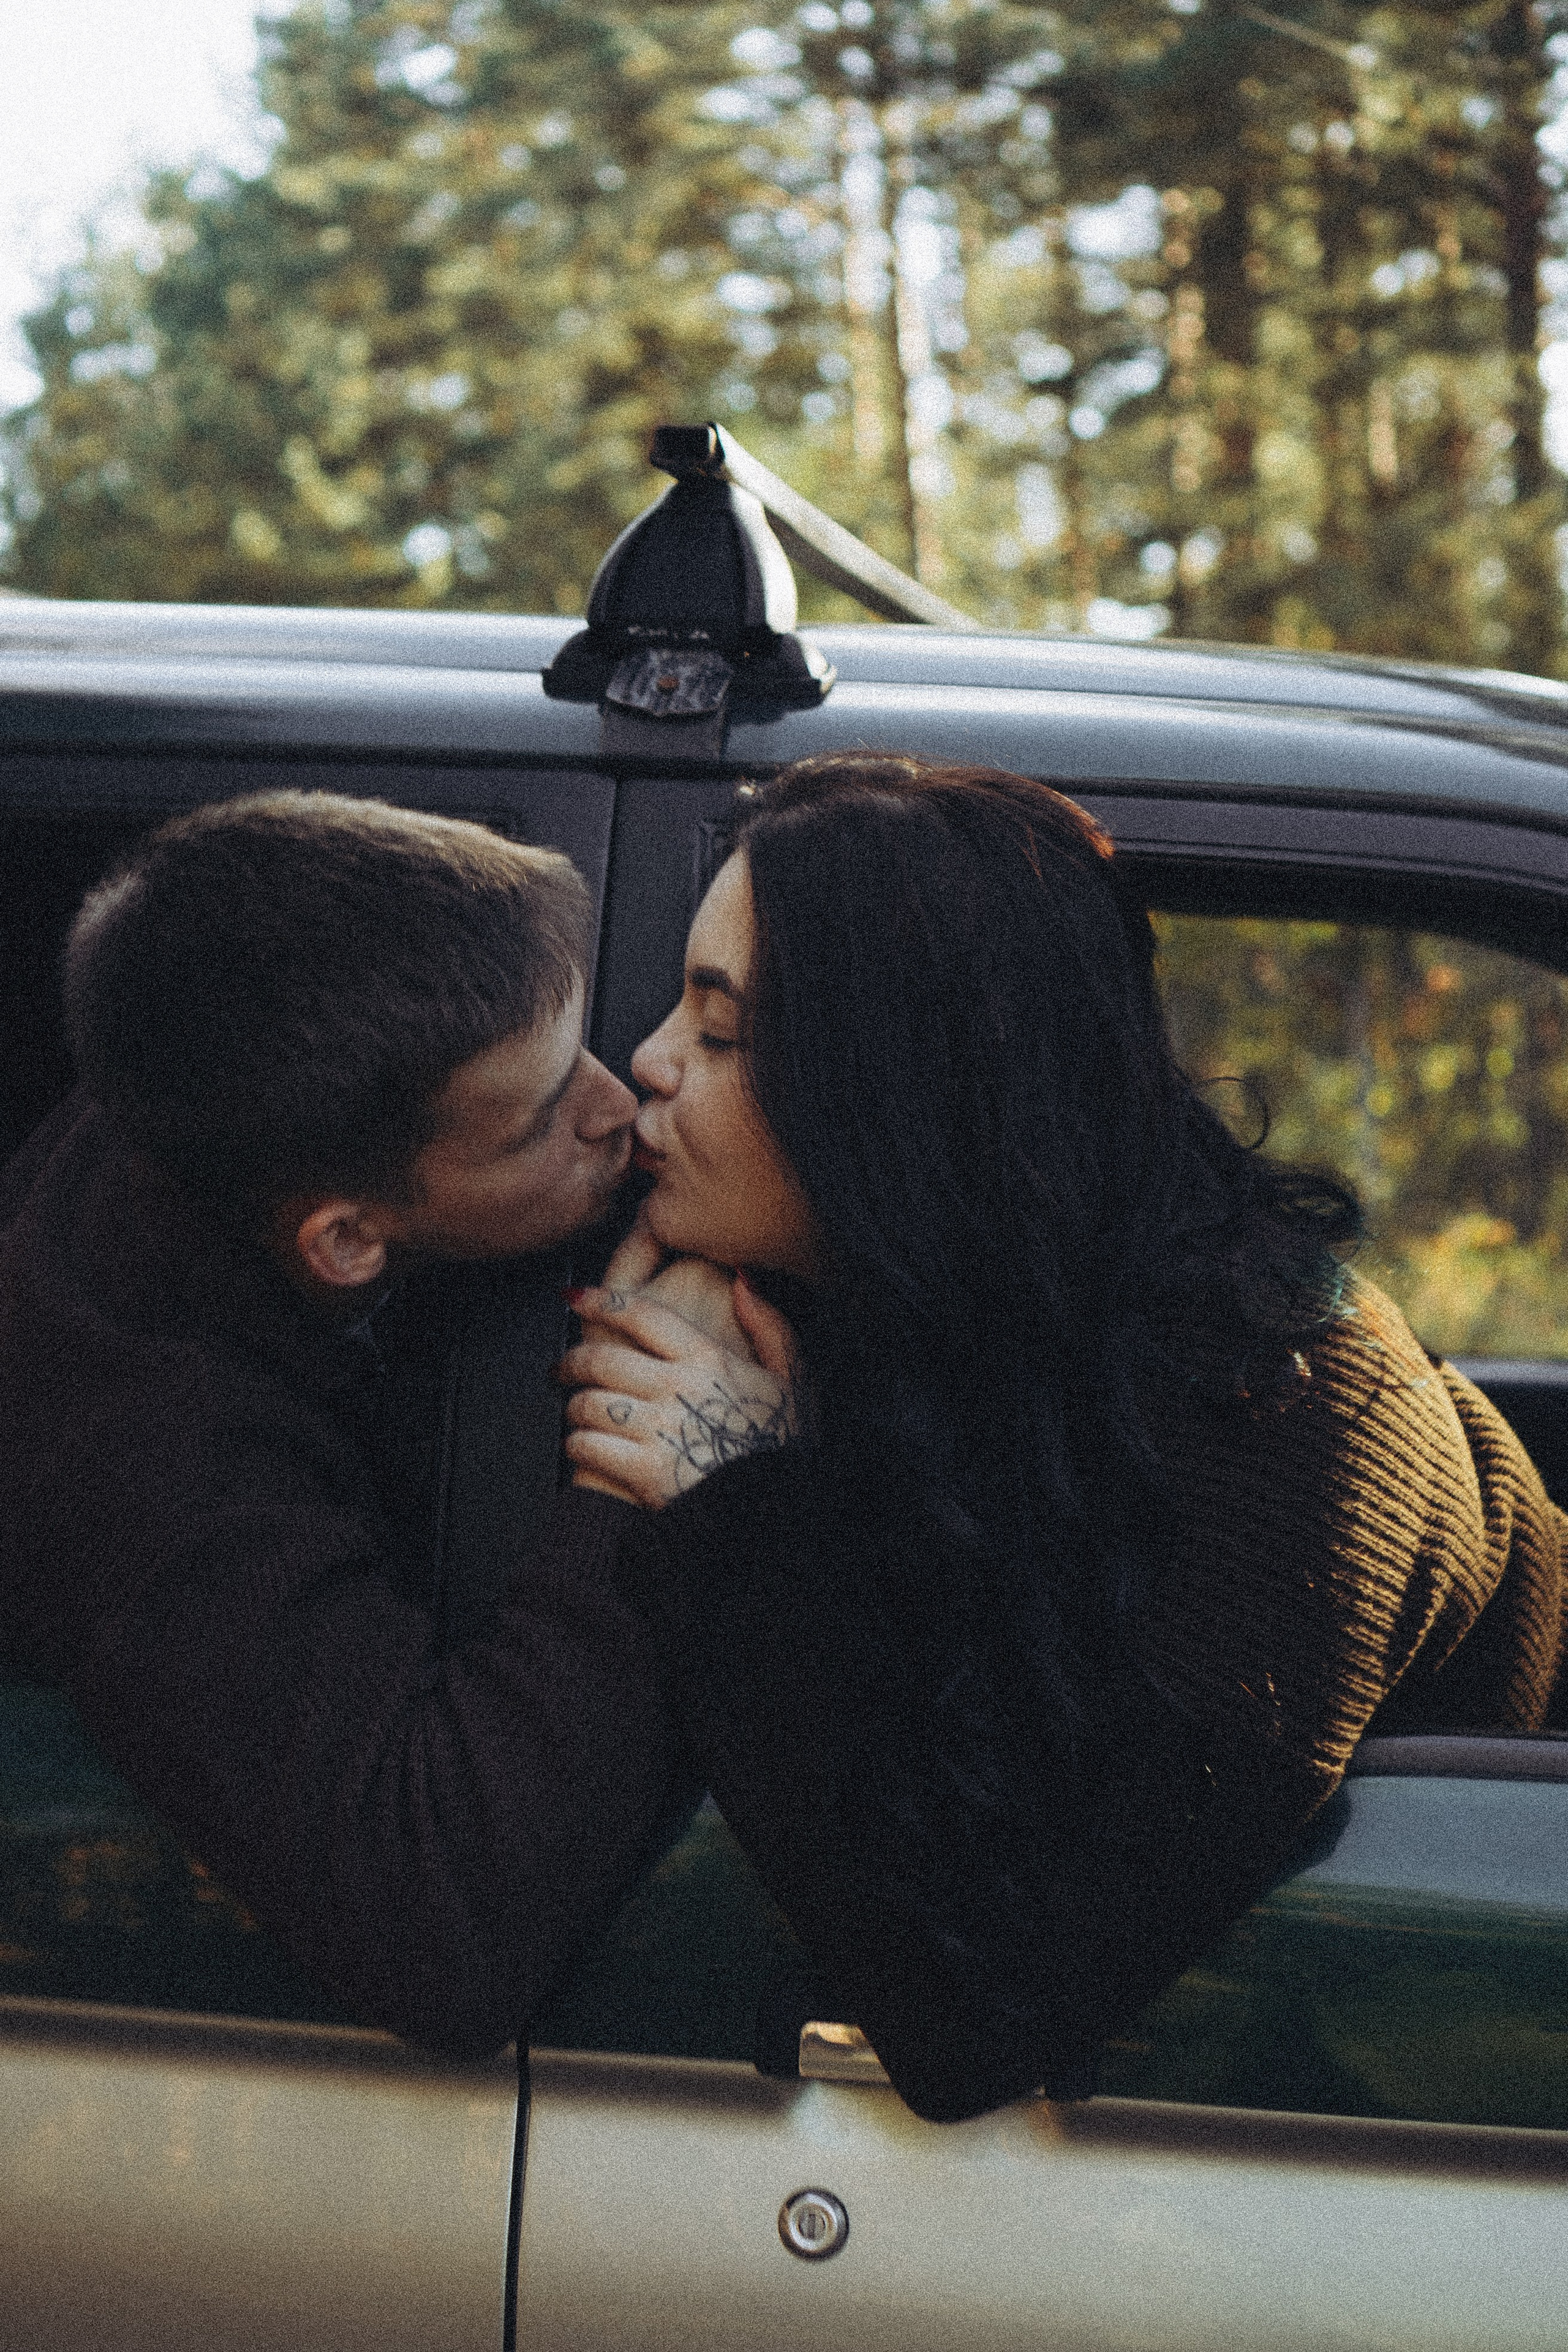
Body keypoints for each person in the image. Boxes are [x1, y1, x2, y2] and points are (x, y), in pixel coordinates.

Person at [559, 752, 1568, 2124]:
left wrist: (737, 1497)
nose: (647, 1063)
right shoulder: (924, 1297)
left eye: (722, 1032)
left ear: (908, 1091)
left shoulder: (1299, 1423)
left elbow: (972, 2019)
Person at [0, 789, 753, 2051]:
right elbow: (439, 1935)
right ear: (348, 1238)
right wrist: (648, 1465)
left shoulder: (245, 1075)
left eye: (579, 1040)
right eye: (536, 1117)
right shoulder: (142, 1460)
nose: (617, 1103)